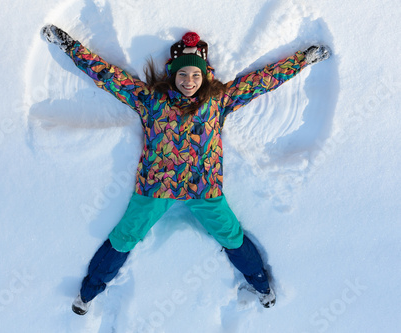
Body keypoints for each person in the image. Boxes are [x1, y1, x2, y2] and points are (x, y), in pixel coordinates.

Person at [40, 24, 331, 315]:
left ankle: (261, 285)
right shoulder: (151, 101)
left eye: (195, 74)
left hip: (204, 190)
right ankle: (89, 292)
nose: (189, 81)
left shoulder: (218, 101)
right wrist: (67, 45)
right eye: (182, 74)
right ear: (173, 75)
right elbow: (106, 75)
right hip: (155, 189)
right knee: (124, 237)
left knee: (231, 236)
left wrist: (303, 59)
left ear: (205, 75)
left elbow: (262, 81)